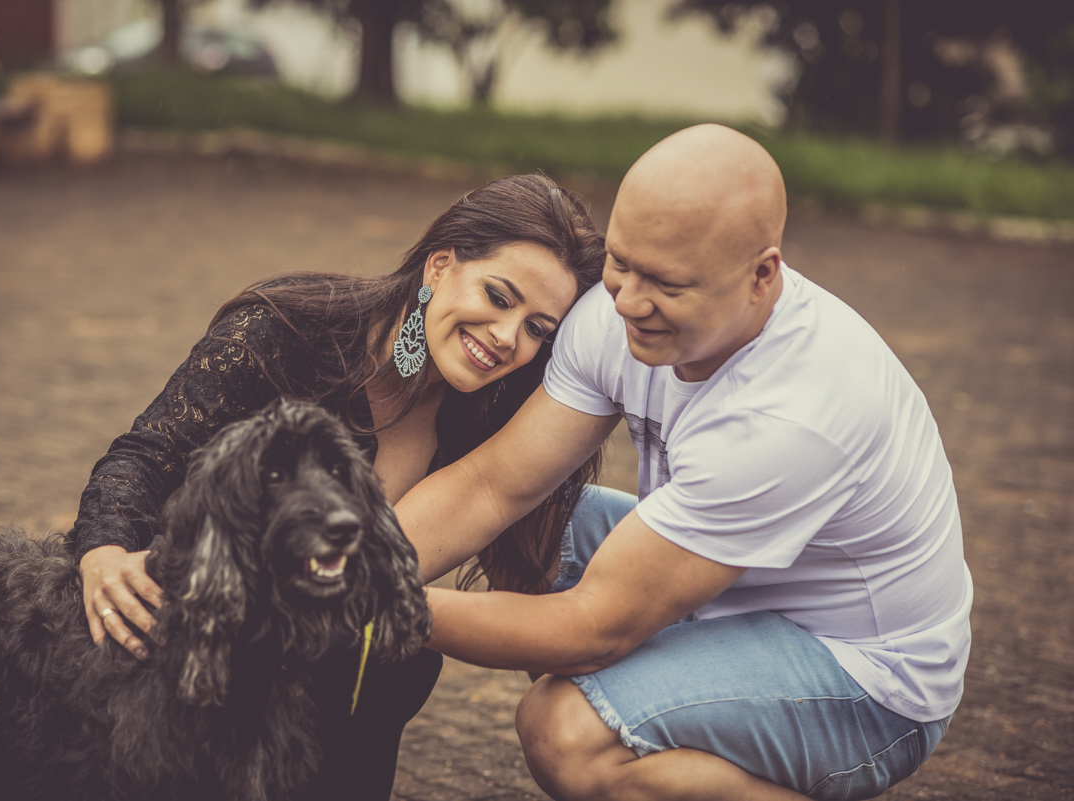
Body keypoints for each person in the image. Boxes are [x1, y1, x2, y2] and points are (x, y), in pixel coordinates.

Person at [396, 125, 973, 801]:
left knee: (568, 732)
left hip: (865, 681)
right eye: (620, 262)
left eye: (665, 282)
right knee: (533, 523)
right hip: (731, 593)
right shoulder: (616, 311)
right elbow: (491, 488)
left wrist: (376, 603)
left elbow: (594, 627)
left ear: (762, 276)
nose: (629, 302)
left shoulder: (790, 417)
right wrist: (354, 561)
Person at [67, 174, 608, 801]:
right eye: (498, 295)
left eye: (539, 328)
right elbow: (146, 456)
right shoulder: (289, 331)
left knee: (395, 652)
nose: (508, 337)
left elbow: (532, 574)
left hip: (326, 677)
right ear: (439, 266)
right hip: (189, 630)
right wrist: (102, 552)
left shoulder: (495, 417)